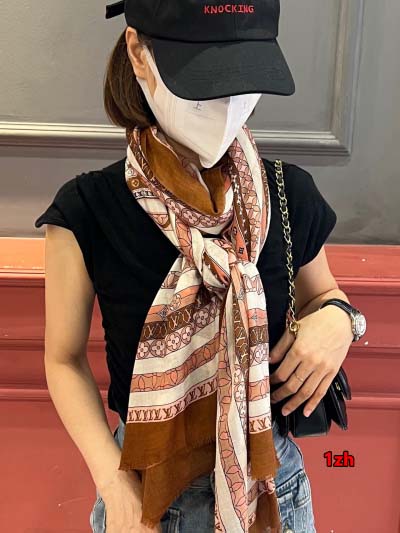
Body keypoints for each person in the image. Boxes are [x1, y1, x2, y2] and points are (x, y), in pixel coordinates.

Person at [34, 1, 360, 532]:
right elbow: (64, 359)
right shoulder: (87, 210)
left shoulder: (288, 193)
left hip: (273, 492)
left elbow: (326, 297)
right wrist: (112, 482)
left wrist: (341, 321)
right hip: (143, 498)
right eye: (204, 86)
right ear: (139, 54)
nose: (228, 109)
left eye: (244, 82)